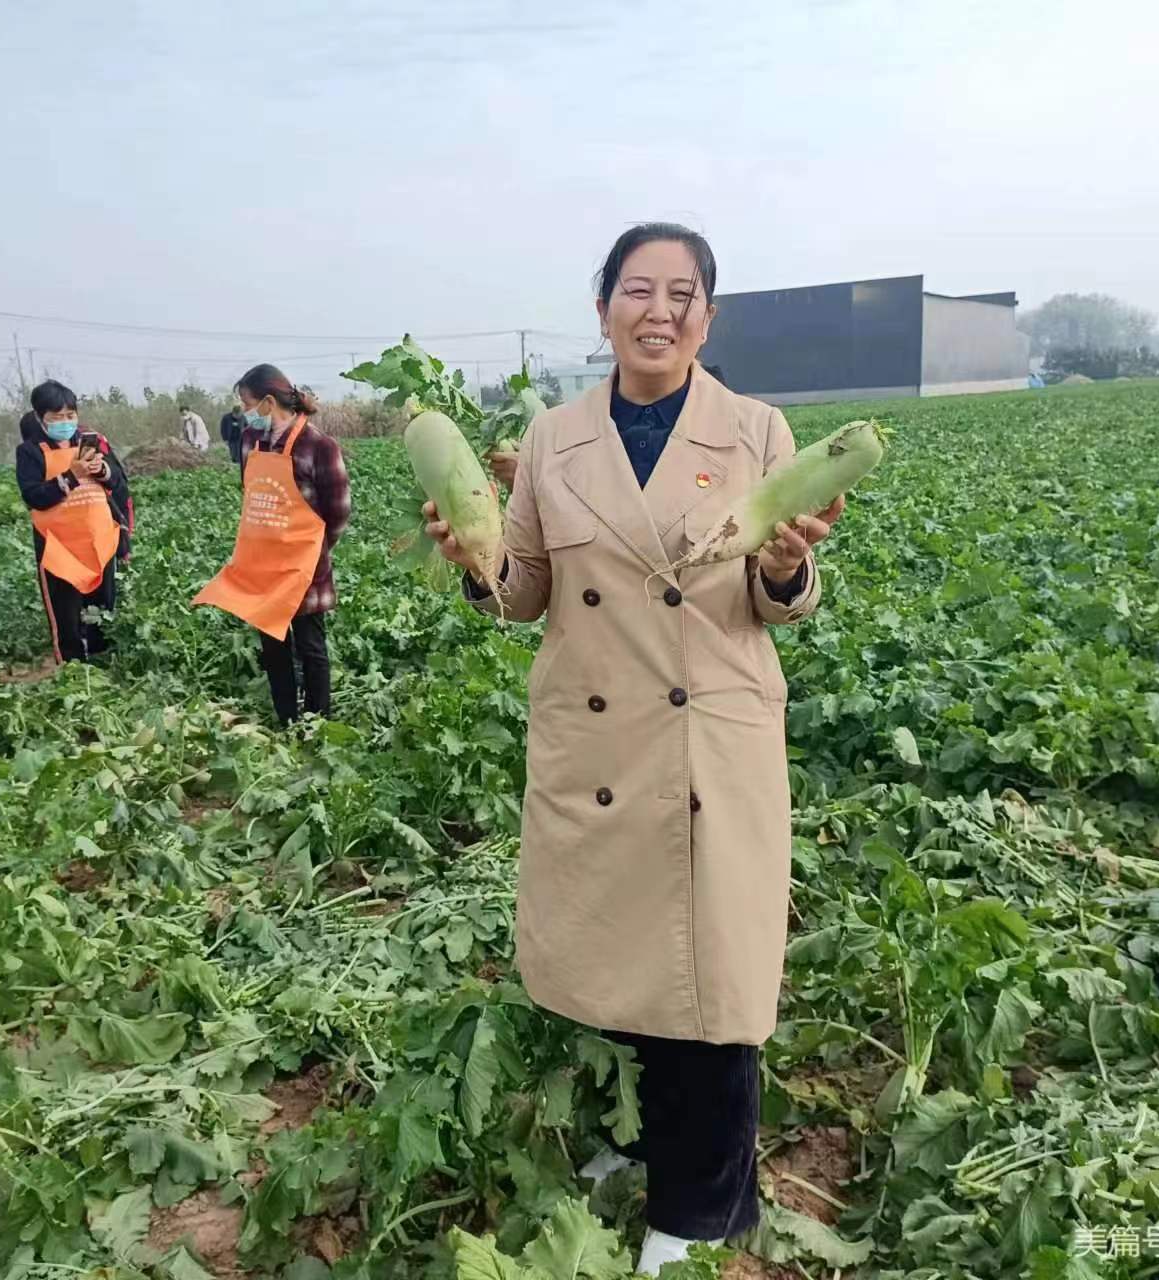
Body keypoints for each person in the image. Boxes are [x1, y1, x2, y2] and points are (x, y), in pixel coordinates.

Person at [423, 223, 849, 1273]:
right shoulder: (552, 442)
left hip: (710, 732)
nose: (657, 311)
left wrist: (790, 566)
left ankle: (699, 1212)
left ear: (707, 314)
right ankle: (641, 1148)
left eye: (681, 293)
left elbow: (776, 598)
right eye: (635, 289)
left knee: (711, 979)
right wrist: (475, 557)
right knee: (616, 967)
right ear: (602, 304)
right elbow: (523, 594)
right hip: (600, 737)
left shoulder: (755, 431)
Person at [192, 365, 350, 726]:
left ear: (267, 401)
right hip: (263, 561)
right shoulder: (251, 440)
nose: (244, 410)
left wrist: (315, 548)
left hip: (304, 562)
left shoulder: (319, 446)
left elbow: (338, 509)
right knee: (272, 644)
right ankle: (287, 718)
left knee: (311, 645)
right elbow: (250, 492)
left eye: (246, 403)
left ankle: (317, 721)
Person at [15, 380, 133, 664]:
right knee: (66, 612)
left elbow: (118, 482)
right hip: (59, 547)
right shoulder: (30, 452)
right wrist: (71, 475)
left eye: (70, 415)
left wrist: (103, 470)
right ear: (40, 418)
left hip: (98, 539)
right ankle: (72, 669)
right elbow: (34, 496)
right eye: (56, 418)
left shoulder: (89, 441)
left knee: (101, 608)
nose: (65, 422)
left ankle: (101, 662)